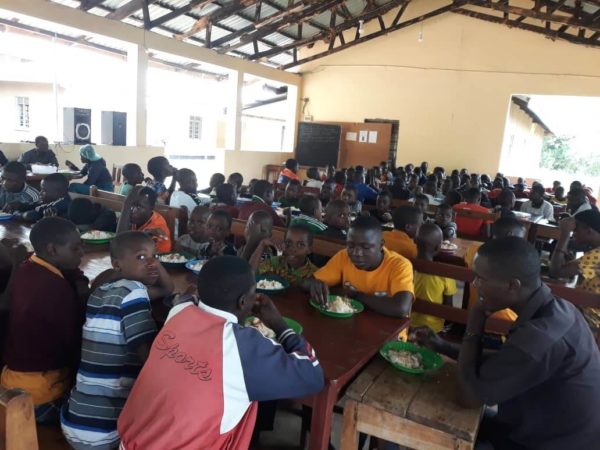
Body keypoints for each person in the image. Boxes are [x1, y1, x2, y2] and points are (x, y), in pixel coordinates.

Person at [117, 256, 324, 450]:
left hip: (130, 441)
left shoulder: (179, 312)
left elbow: (187, 297)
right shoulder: (241, 345)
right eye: (253, 293)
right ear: (243, 302)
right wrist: (278, 323)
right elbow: (312, 375)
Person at [417, 237, 600, 450]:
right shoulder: (559, 308)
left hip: (550, 443)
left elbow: (468, 397)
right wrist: (444, 346)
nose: (475, 285)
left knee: (433, 428)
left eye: (480, 279)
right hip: (540, 428)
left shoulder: (540, 336)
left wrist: (475, 321)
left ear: (513, 285)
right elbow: (508, 361)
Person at [61, 231, 174, 450]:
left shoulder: (100, 292)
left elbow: (164, 289)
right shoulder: (134, 293)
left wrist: (148, 260)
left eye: (155, 256)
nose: (151, 263)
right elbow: (147, 358)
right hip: (105, 432)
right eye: (141, 257)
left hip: (73, 422)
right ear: (117, 264)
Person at [1, 218, 88, 424]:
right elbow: (75, 345)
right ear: (52, 250)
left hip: (11, 379)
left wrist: (78, 281)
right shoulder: (54, 290)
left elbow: (72, 273)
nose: (82, 253)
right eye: (75, 248)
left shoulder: (29, 265)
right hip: (39, 397)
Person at [304, 216, 414, 320]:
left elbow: (401, 308)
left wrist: (357, 295)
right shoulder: (344, 257)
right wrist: (315, 284)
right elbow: (306, 283)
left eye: (365, 247)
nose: (356, 253)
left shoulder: (399, 265)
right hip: (351, 323)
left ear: (381, 245)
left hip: (388, 329)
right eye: (351, 246)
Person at [464, 217, 527, 323]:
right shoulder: (514, 261)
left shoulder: (473, 249)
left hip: (474, 312)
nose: (522, 242)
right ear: (510, 235)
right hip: (503, 319)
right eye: (521, 238)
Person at [550, 210, 600, 335]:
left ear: (589, 231)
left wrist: (565, 234)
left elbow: (556, 271)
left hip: (590, 320)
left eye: (575, 230)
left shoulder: (596, 255)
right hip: (584, 309)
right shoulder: (595, 252)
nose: (573, 234)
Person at [410, 223, 456, 333]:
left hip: (408, 323)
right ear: (438, 247)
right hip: (433, 328)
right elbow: (448, 309)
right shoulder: (446, 273)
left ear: (415, 241)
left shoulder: (406, 266)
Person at [252, 223, 318, 286]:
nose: (292, 249)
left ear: (309, 249)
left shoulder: (314, 274)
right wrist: (262, 244)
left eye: (300, 244)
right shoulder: (275, 262)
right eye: (288, 243)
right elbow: (250, 274)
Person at [117, 187, 172, 253]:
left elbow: (120, 246)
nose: (132, 210)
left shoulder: (157, 228)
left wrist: (127, 204)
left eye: (138, 207)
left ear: (151, 208)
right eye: (131, 206)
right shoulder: (134, 219)